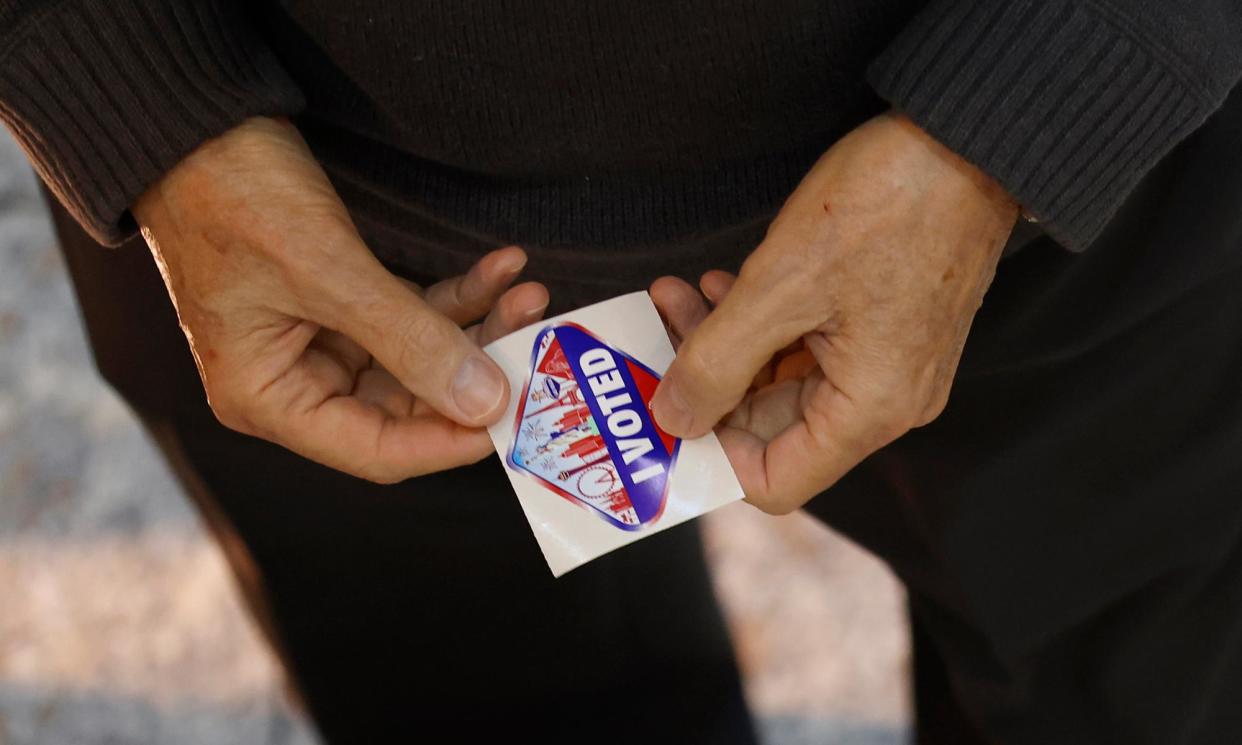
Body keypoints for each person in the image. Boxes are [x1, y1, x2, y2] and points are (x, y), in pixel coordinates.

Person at [3, 1, 1241, 743]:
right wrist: (129, 90)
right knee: (485, 706)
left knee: (1127, 698)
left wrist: (1045, 96)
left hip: (1069, 193)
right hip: (280, 233)